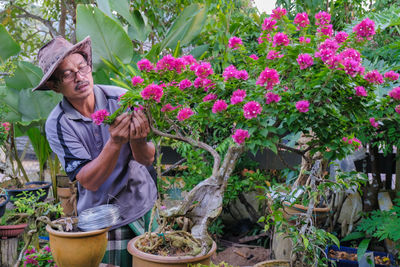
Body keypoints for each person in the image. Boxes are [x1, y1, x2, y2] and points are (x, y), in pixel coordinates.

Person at [33, 36, 158, 267]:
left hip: (142, 204)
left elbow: (147, 158)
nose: (79, 77)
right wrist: (115, 142)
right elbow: (89, 181)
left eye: (82, 67)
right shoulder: (58, 123)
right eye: (68, 74)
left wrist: (138, 139)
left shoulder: (121, 98)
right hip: (101, 218)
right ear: (54, 85)